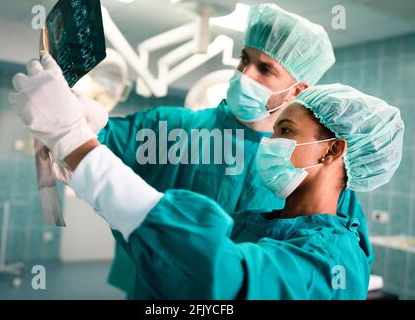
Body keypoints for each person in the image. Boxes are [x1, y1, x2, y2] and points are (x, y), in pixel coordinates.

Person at [9, 55, 404, 298]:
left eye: (284, 133)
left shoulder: (333, 260)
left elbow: (217, 281)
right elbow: (170, 260)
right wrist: (87, 156)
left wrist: (79, 147)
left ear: (333, 150)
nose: (268, 143)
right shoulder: (258, 225)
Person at [90, 3, 363, 295]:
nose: (246, 74)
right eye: (244, 60)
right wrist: (82, 118)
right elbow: (91, 143)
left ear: (297, 90)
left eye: (265, 69)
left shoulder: (315, 170)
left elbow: (336, 259)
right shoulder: (172, 128)